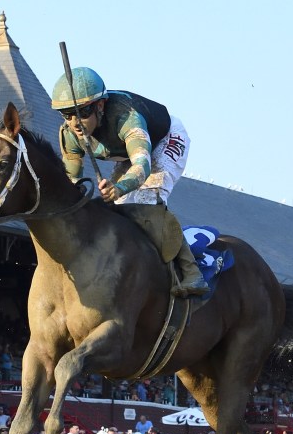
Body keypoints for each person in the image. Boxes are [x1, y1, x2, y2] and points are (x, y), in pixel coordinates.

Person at [50, 67, 209, 297]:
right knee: (115, 207)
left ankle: (192, 272)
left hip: (164, 140)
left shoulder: (126, 118)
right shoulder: (69, 134)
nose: (75, 122)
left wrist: (118, 188)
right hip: (127, 153)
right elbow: (71, 180)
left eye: (82, 112)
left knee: (146, 199)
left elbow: (142, 167)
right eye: (67, 114)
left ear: (100, 106)